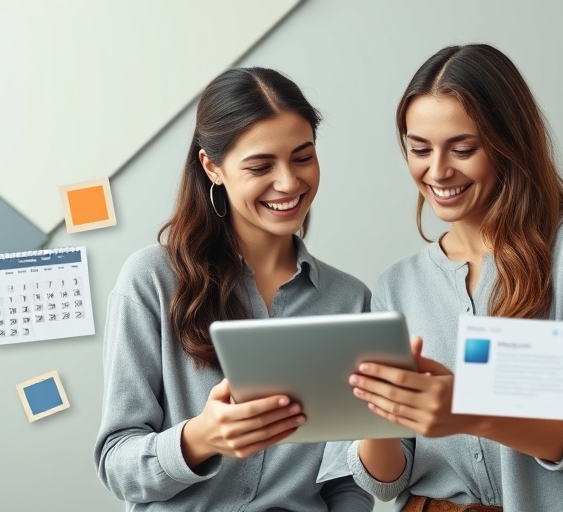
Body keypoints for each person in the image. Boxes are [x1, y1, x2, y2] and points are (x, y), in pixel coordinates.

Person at [347, 44, 563, 512]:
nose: (437, 171)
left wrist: (469, 409)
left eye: (463, 149)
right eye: (419, 149)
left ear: (508, 143)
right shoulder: (398, 284)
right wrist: (379, 411)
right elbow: (383, 483)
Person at [94, 66, 373, 511]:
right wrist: (201, 437)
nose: (289, 182)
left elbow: (345, 481)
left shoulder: (350, 301)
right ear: (213, 167)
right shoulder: (151, 280)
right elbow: (117, 464)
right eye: (261, 165)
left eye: (303, 157)